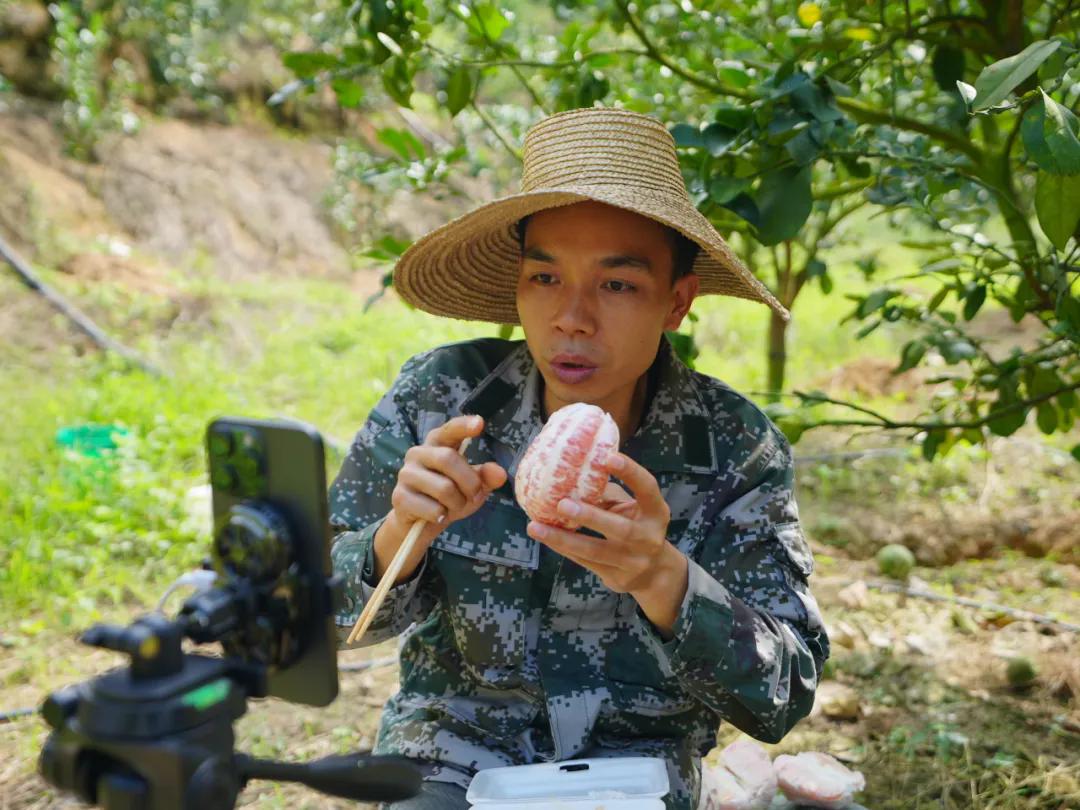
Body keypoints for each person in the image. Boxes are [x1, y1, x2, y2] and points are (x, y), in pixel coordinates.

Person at [329, 107, 829, 810]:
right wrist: (397, 539)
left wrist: (660, 577)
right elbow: (311, 622)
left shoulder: (735, 448)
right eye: (545, 278)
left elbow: (785, 694)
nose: (572, 317)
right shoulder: (442, 400)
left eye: (617, 284)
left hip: (633, 778)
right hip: (453, 760)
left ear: (677, 302)